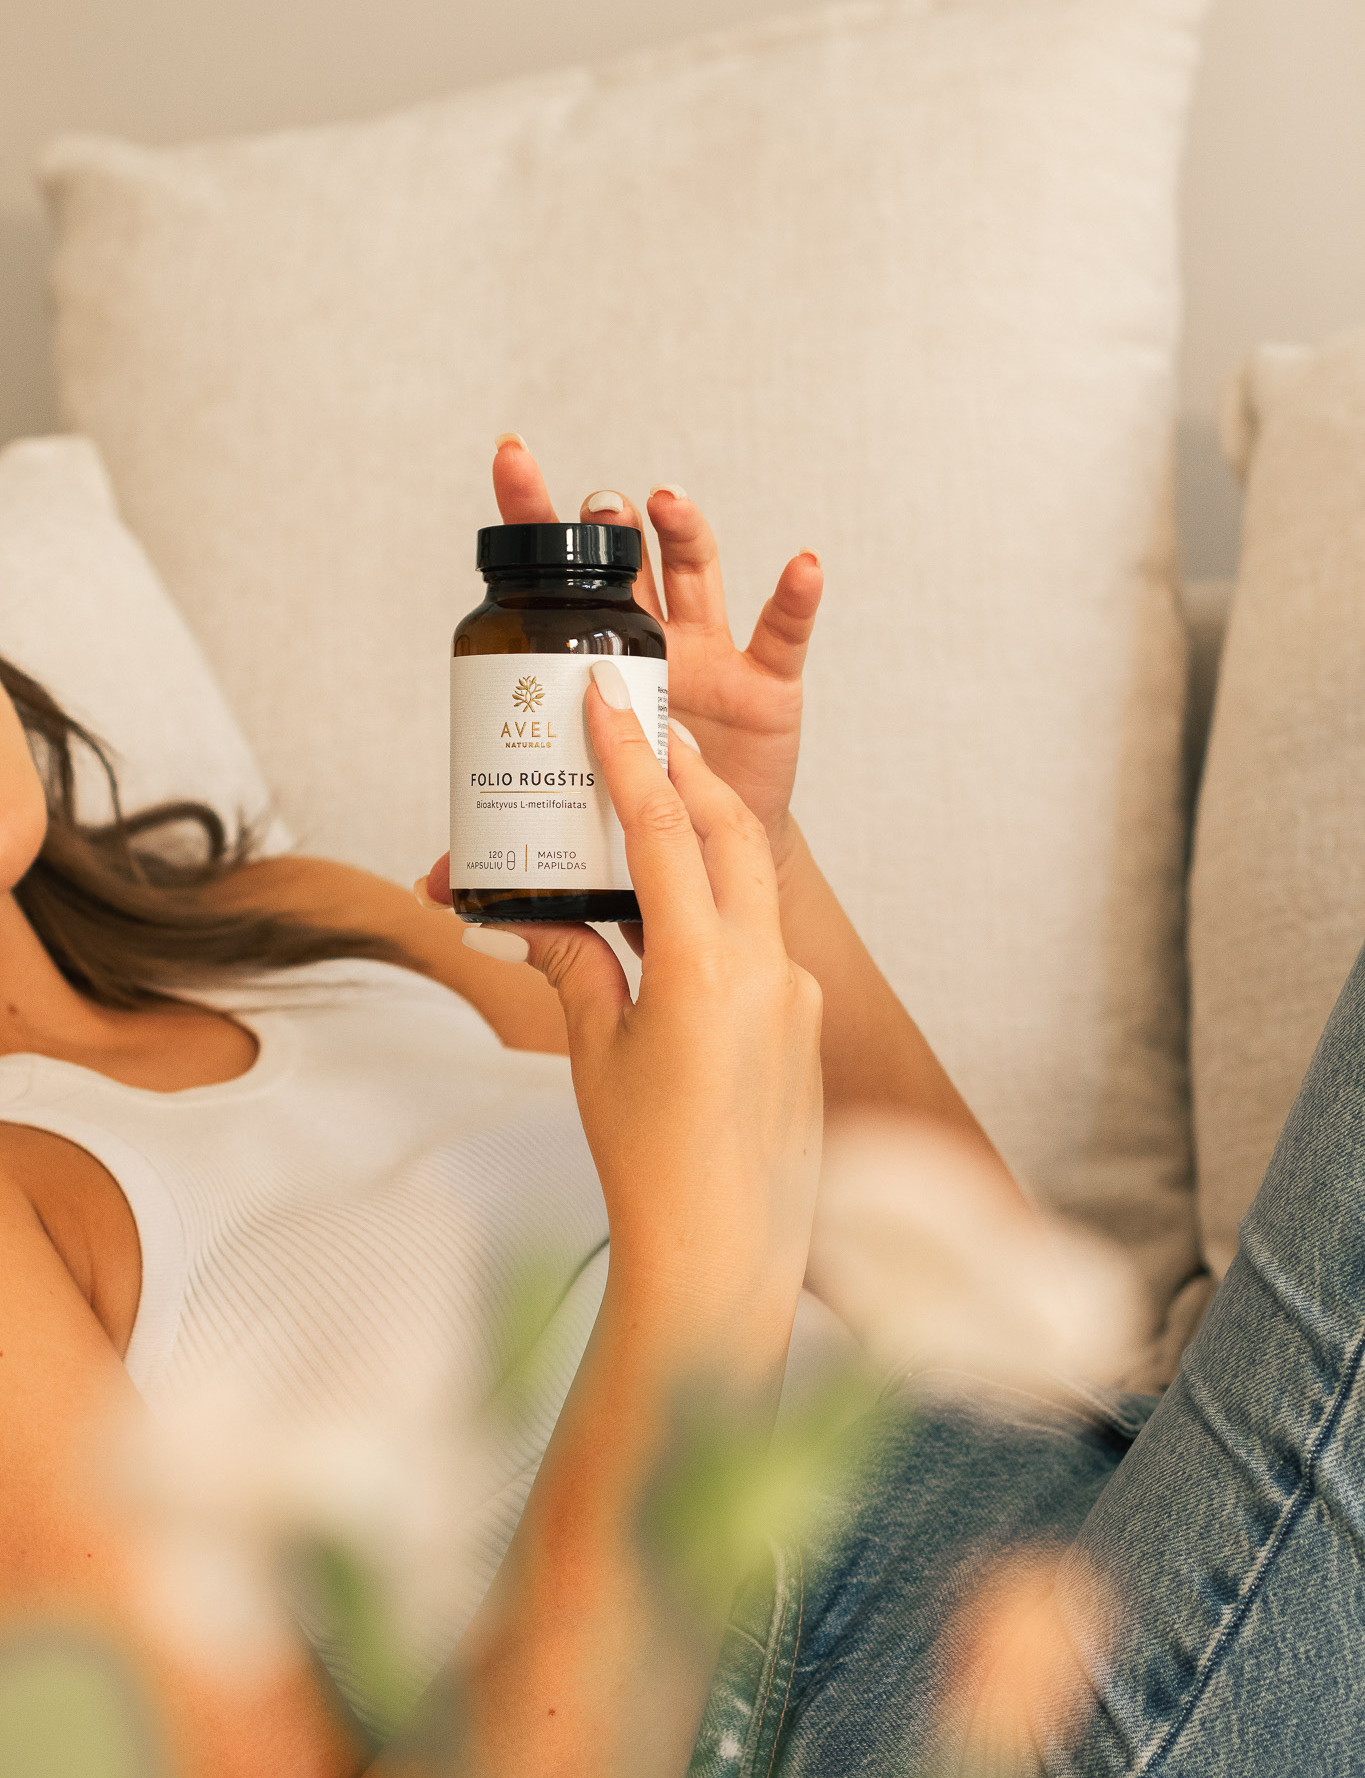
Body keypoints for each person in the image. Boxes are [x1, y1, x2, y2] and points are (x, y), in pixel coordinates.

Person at [1, 437, 1362, 1777]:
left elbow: (988, 1312)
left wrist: (756, 857)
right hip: (871, 1704)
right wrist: (698, 1259)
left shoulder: (291, 919)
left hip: (1091, 1524)